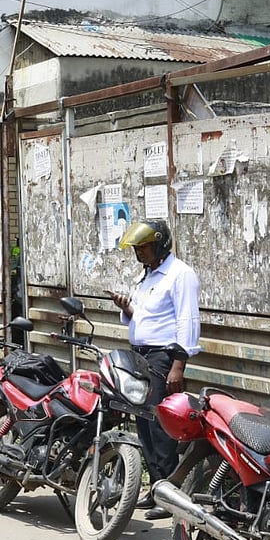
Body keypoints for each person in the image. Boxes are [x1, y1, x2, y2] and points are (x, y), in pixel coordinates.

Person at [111, 220, 200, 520]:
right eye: (136, 248)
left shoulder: (180, 275)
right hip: (140, 356)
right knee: (144, 425)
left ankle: (171, 495)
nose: (139, 252)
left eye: (143, 247)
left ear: (160, 244)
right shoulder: (147, 276)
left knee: (161, 428)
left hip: (163, 357)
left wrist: (178, 365)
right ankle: (156, 489)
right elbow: (145, 317)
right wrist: (127, 309)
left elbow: (187, 321)